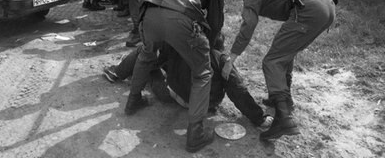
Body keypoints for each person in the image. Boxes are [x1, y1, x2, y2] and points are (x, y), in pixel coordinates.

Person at [125, 0, 224, 153]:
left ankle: (133, 100)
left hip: (148, 12)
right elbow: (215, 21)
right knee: (202, 73)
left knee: (146, 56)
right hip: (180, 17)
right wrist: (206, 49)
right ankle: (195, 133)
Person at [222, 0, 337, 140]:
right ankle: (284, 100)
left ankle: (284, 119)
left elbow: (248, 26)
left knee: (272, 61)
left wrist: (231, 59)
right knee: (284, 54)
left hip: (309, 9)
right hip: (326, 5)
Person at [102, 33, 273, 128]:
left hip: (173, 95)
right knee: (150, 61)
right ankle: (128, 69)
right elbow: (238, 90)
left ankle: (118, 71)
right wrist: (259, 118)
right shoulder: (221, 59)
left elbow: (157, 60)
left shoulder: (180, 45)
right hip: (207, 104)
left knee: (146, 56)